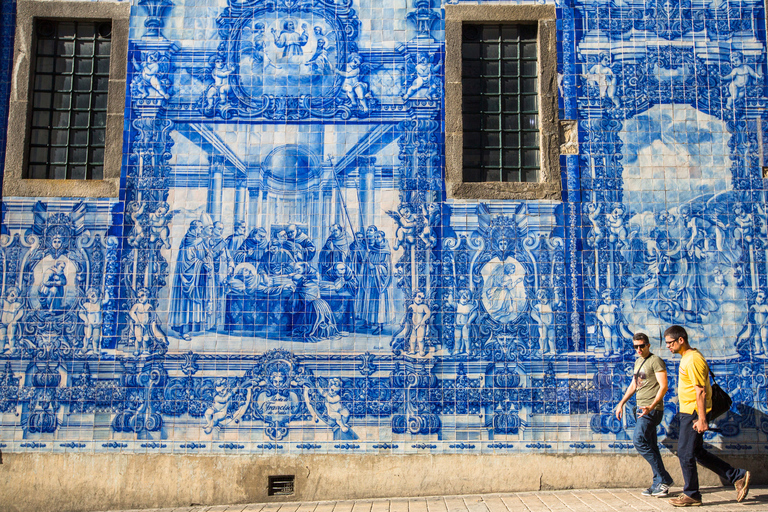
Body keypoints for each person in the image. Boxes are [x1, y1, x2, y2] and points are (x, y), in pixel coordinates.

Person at [664, 325, 751, 507]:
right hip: (689, 411)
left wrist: (702, 419)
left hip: (694, 412)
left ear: (681, 339)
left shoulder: (693, 359)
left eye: (670, 342)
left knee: (685, 452)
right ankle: (737, 476)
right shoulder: (688, 357)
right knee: (697, 452)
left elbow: (701, 392)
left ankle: (692, 494)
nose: (668, 347)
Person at [615, 332, 674, 497]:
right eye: (636, 346)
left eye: (642, 346)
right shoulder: (638, 361)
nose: (639, 349)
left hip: (651, 410)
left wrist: (652, 406)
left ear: (648, 345)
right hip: (641, 409)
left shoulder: (656, 361)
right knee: (652, 446)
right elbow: (634, 385)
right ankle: (658, 484)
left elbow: (664, 386)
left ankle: (664, 478)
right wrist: (621, 403)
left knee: (639, 440)